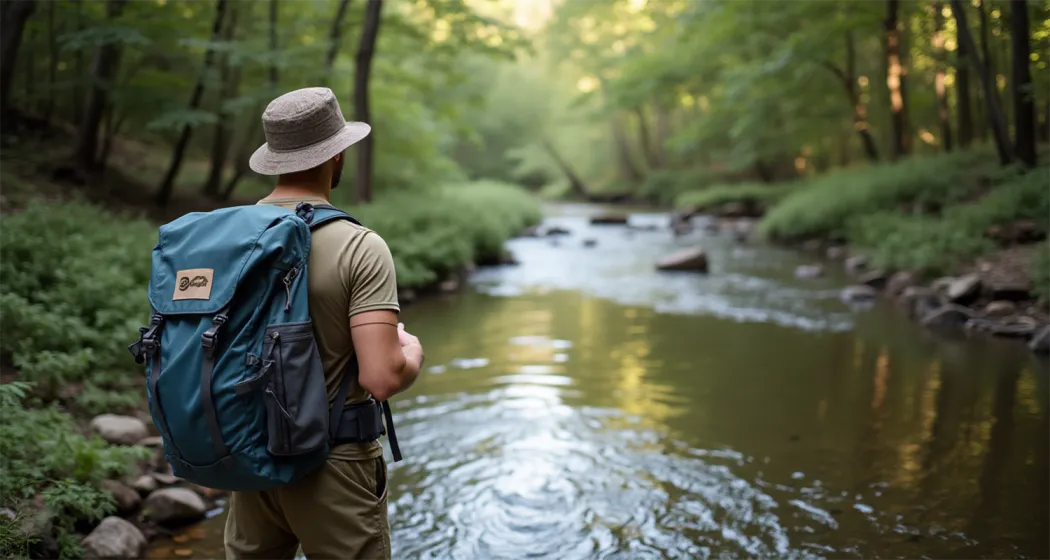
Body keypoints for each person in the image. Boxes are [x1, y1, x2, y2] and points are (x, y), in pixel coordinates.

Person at [223, 86, 424, 559]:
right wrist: (410, 352)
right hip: (334, 463)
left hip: (248, 456)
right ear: (337, 155)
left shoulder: (229, 238)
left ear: (273, 158)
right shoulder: (359, 245)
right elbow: (381, 378)